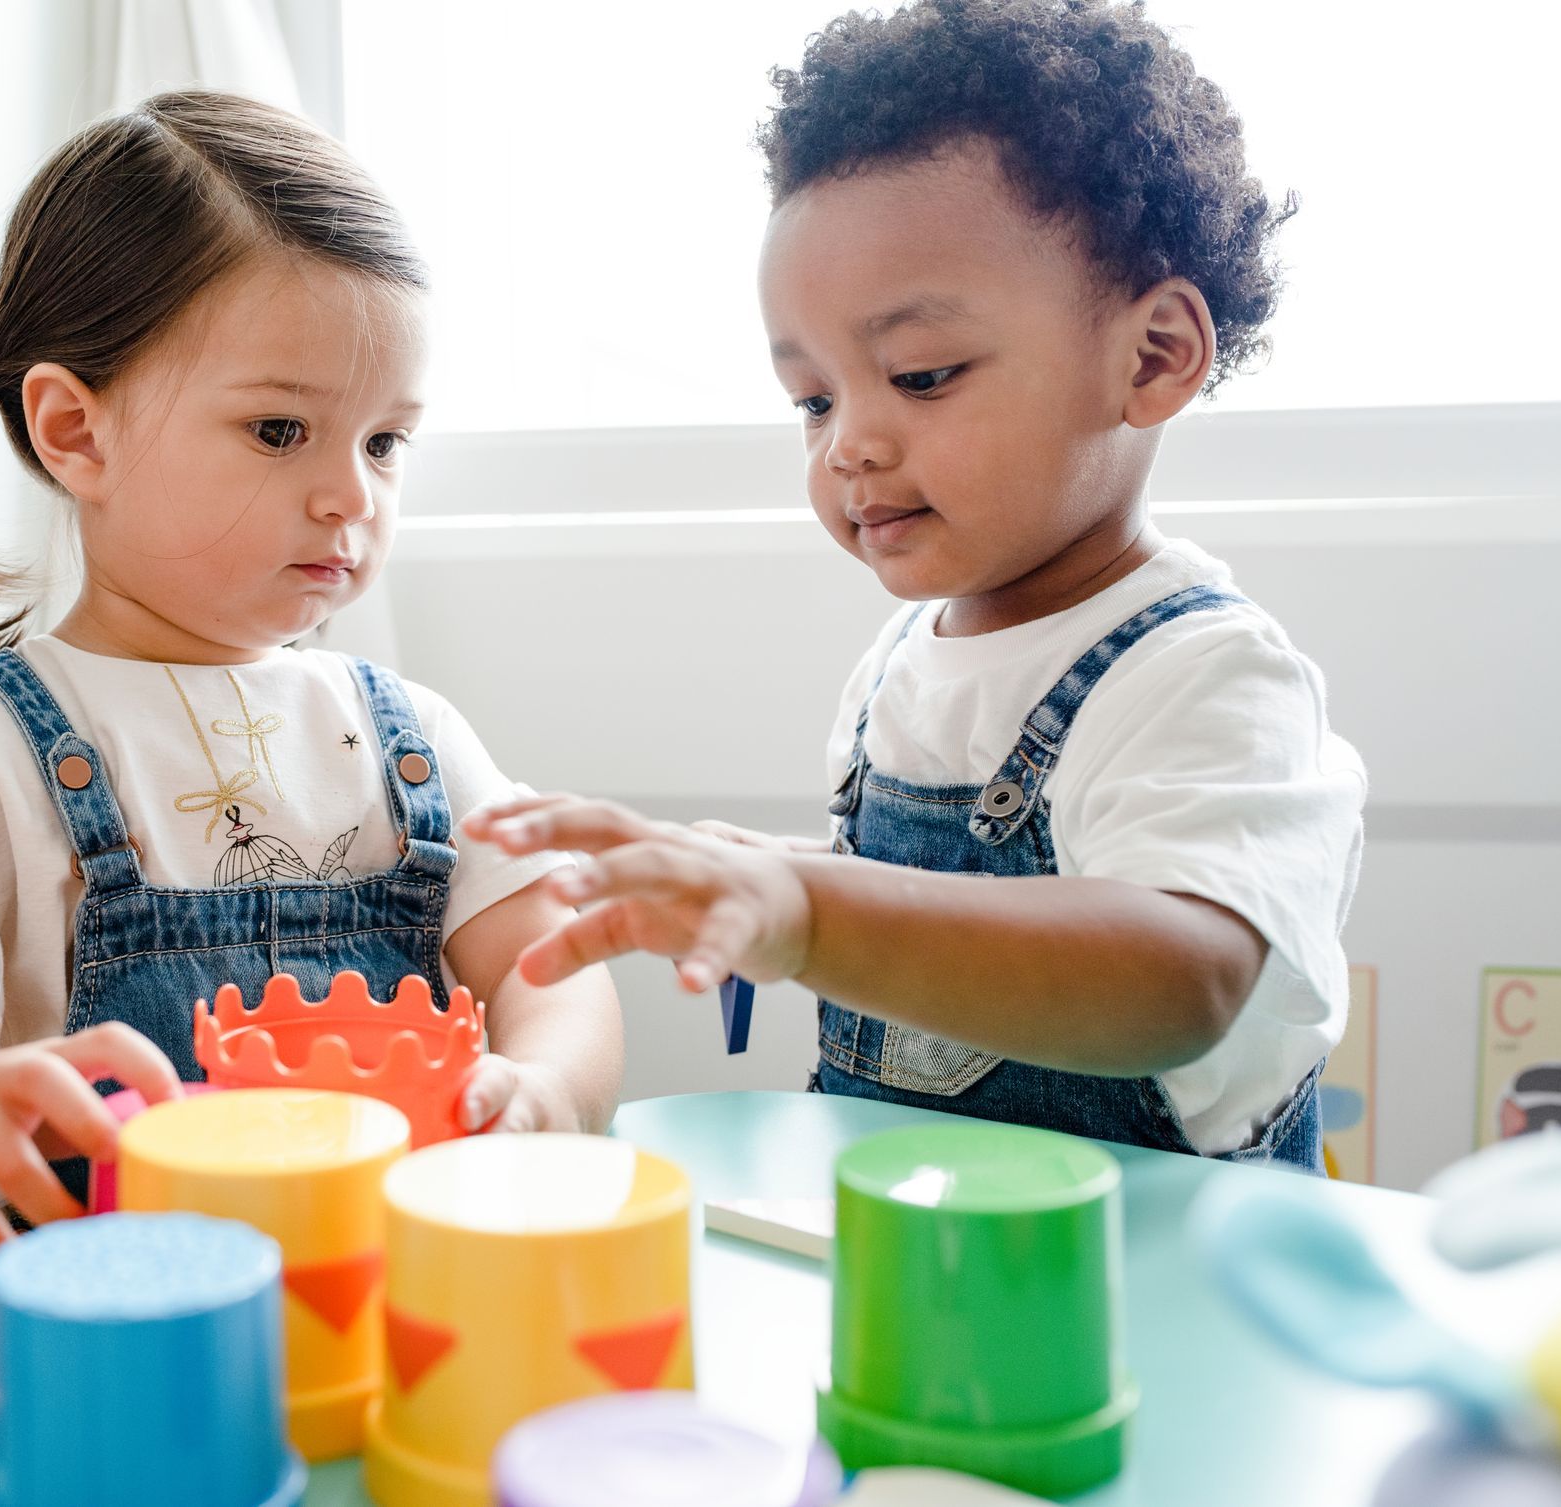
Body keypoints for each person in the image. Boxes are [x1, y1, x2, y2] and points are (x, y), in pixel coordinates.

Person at [0, 91, 622, 1294]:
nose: (353, 494)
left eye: (386, 442)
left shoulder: (412, 739)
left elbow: (554, 964)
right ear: (77, 431)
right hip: (120, 1357)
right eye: (282, 430)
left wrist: (548, 1087)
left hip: (400, 1318)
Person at [469, 0, 1363, 1171]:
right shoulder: (902, 660)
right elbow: (944, 911)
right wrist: (780, 882)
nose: (849, 444)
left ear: (1152, 357)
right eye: (814, 398)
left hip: (1151, 1289)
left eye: (920, 374)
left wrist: (813, 909)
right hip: (928, 1267)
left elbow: (1182, 973)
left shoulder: (1205, 675)